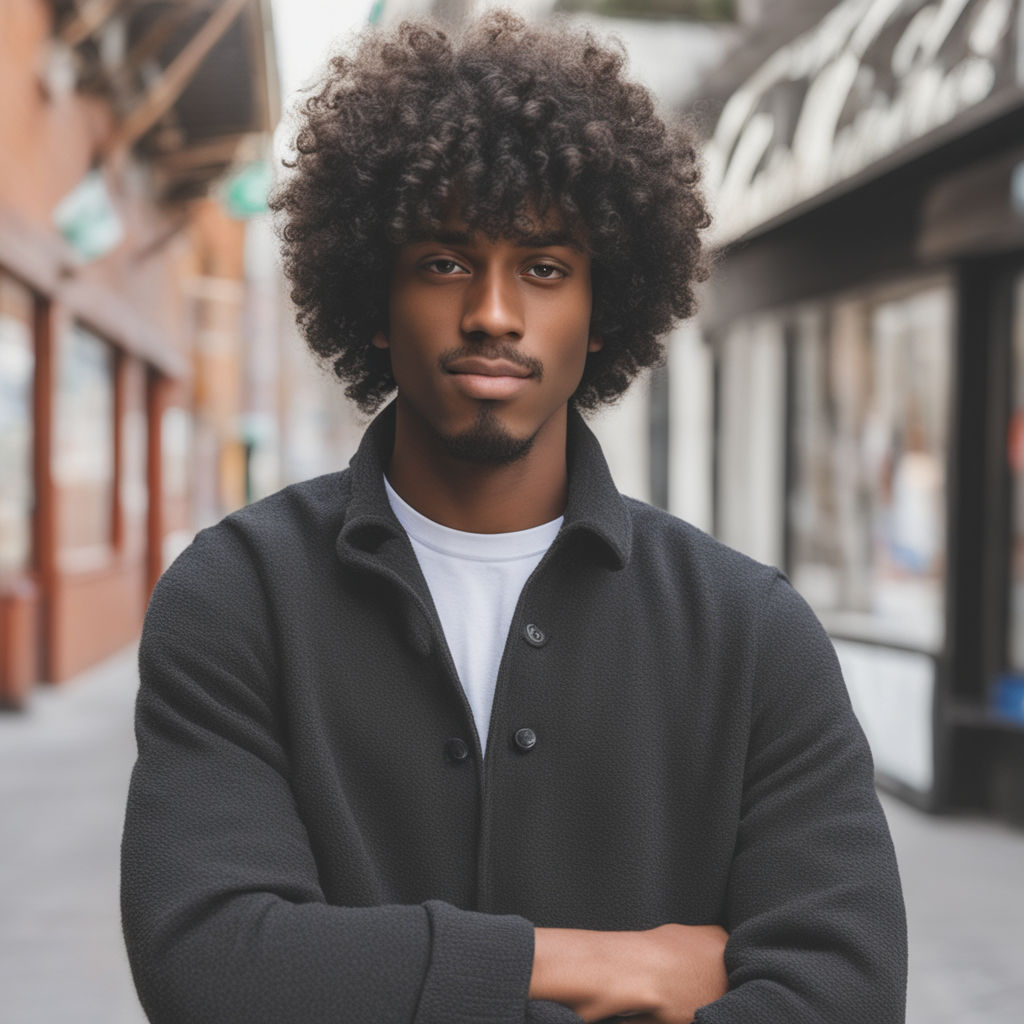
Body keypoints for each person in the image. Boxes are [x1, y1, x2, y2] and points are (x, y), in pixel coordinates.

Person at [121, 10, 907, 1024]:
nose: (493, 310)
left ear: (601, 311)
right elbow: (215, 968)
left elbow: (842, 992)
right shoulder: (236, 597)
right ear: (372, 295)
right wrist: (598, 962)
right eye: (445, 260)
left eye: (543, 267)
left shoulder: (751, 633)